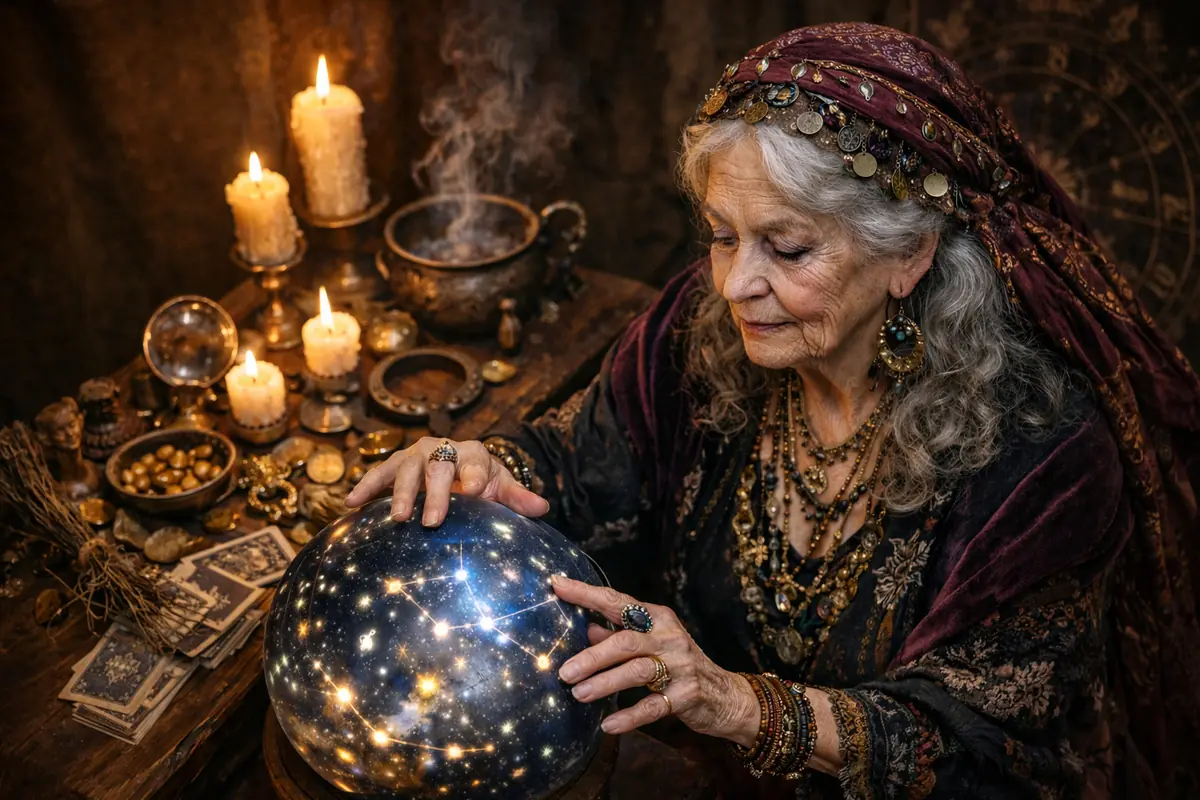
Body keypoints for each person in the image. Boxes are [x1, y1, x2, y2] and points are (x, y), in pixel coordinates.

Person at [346, 23, 1200, 799]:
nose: (734, 285)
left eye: (787, 248)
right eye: (722, 235)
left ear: (909, 255)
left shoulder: (1044, 455)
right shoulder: (704, 328)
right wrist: (496, 470)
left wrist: (740, 707)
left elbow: (984, 754)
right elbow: (581, 465)